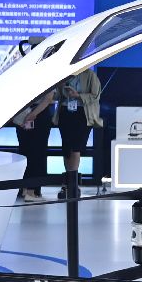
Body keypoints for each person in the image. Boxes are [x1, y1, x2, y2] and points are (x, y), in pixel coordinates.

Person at [52, 68, 103, 197]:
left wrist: (78, 95)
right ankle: (67, 183)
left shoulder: (90, 75)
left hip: (82, 114)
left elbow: (95, 95)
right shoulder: (64, 74)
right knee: (66, 148)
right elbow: (57, 96)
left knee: (76, 148)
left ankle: (73, 184)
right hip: (65, 112)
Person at [14, 87, 57, 200]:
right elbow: (48, 98)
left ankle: (27, 189)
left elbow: (48, 99)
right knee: (33, 152)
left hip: (29, 114)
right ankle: (30, 191)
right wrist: (31, 114)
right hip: (30, 114)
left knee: (29, 151)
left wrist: (31, 114)